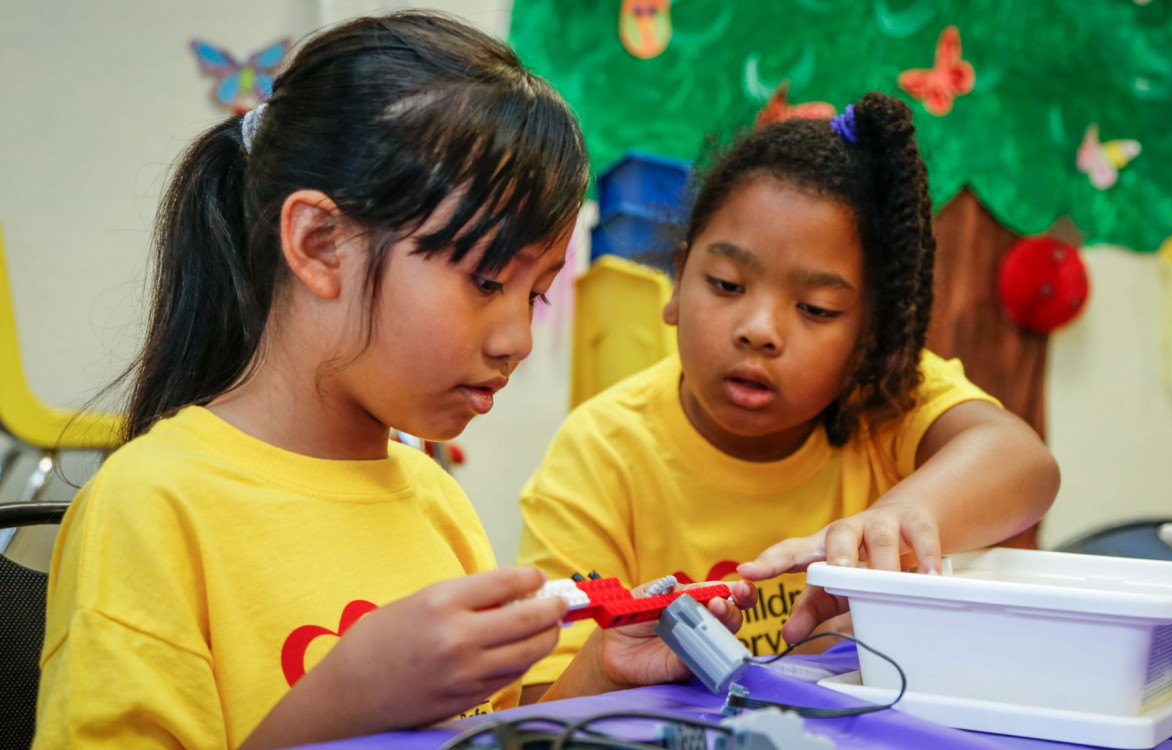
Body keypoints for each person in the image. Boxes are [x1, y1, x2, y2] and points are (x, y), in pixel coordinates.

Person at [33, 12, 753, 749]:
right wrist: (346, 701)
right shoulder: (148, 509)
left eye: (536, 294)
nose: (518, 340)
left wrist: (601, 672)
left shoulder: (436, 501)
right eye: (486, 280)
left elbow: (485, 735)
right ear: (321, 244)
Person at [516, 93, 1060, 700]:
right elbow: (536, 711)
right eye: (726, 284)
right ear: (678, 281)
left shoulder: (886, 397)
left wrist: (897, 517)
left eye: (816, 309)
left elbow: (1024, 463)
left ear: (869, 336)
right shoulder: (602, 450)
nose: (760, 330)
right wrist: (609, 666)